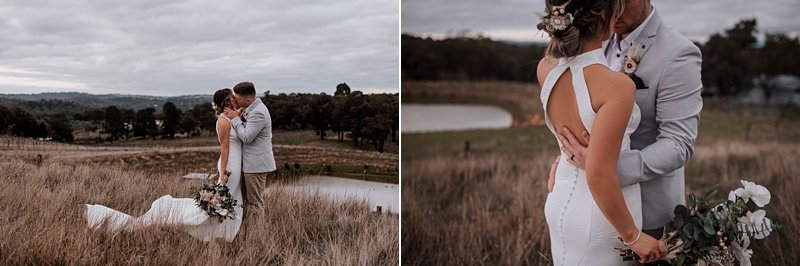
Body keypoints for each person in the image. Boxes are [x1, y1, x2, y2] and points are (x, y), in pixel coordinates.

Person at [551, 0, 703, 244]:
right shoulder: (592, 41)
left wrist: (604, 169)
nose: (615, 7)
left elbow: (678, 144)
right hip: (588, 207)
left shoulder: (678, 52)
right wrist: (566, 161)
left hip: (646, 215)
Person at [536, 0, 667, 264]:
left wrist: (563, 159)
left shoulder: (545, 68)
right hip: (604, 216)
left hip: (560, 200)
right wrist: (633, 236)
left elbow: (571, 128)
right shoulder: (616, 86)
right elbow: (598, 173)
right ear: (605, 15)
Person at [85, 88, 244, 242]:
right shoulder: (223, 121)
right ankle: (218, 231)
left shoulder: (231, 117)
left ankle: (228, 230)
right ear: (225, 102)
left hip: (236, 163)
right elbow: (224, 149)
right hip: (229, 166)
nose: (235, 99)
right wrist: (223, 174)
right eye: (232, 98)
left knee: (232, 197)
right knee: (225, 197)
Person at [223, 81, 277, 224]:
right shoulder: (252, 108)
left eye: (238, 98)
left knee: (255, 203)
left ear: (248, 99)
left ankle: (257, 235)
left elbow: (247, 137)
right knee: (248, 202)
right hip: (250, 164)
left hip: (256, 165)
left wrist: (234, 118)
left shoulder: (258, 112)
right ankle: (249, 231)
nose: (235, 100)